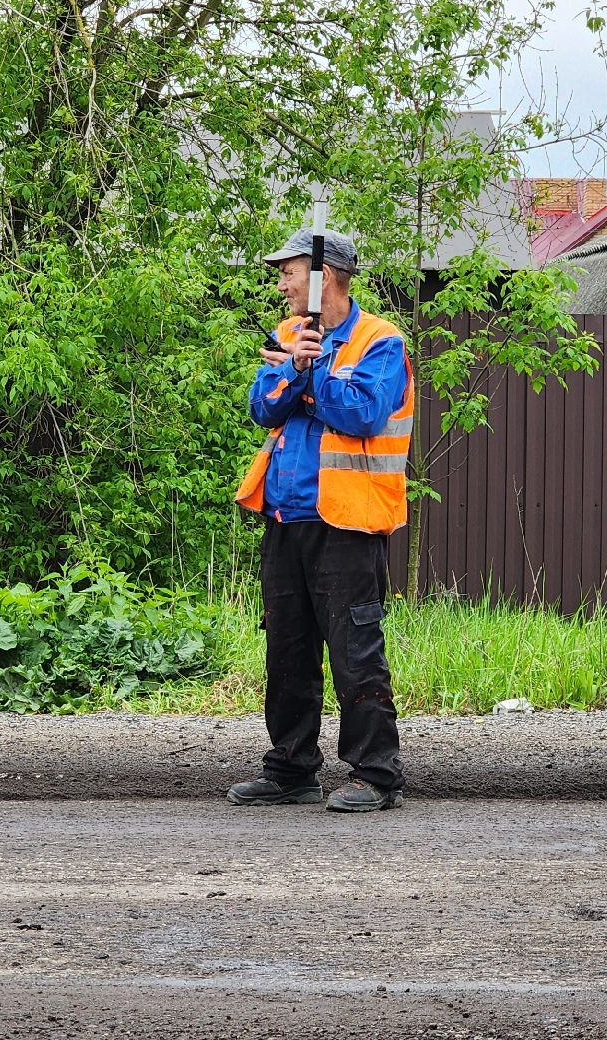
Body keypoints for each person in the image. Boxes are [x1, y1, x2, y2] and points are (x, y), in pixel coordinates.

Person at [226, 225, 413, 814]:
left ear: (322, 276)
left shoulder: (381, 342)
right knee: (287, 648)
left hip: (348, 523)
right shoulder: (289, 334)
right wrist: (296, 376)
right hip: (286, 517)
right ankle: (290, 769)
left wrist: (306, 376)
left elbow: (361, 412)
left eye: (288, 271)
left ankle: (375, 774)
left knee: (355, 648)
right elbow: (263, 405)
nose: (280, 283)